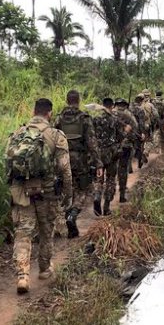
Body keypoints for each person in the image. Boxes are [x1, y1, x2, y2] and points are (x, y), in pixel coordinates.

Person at [6, 98, 72, 294]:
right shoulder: (56, 135)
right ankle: (44, 269)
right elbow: (65, 168)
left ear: (33, 111)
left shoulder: (18, 133)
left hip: (22, 192)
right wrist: (68, 193)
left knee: (23, 233)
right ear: (49, 114)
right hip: (47, 192)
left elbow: (8, 164)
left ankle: (22, 276)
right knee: (46, 230)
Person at [54, 90, 103, 238]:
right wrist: (98, 163)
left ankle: (64, 221)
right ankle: (72, 215)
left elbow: (52, 139)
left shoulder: (59, 118)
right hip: (81, 161)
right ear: (79, 100)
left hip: (62, 160)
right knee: (83, 189)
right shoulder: (85, 118)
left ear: (67, 100)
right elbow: (92, 142)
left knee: (65, 189)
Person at [91, 97, 122, 216]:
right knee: (110, 179)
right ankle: (107, 207)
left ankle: (97, 196)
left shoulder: (95, 118)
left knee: (98, 178)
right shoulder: (114, 119)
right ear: (112, 106)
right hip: (111, 154)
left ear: (102, 105)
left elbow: (91, 136)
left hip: (98, 153)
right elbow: (120, 137)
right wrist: (127, 130)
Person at [114, 98, 139, 203]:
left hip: (112, 147)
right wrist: (132, 140)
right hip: (125, 146)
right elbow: (135, 128)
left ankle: (108, 191)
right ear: (125, 105)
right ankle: (122, 195)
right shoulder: (129, 115)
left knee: (111, 170)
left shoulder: (110, 114)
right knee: (123, 169)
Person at [130, 94, 148, 169]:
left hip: (128, 131)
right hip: (137, 132)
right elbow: (141, 123)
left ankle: (129, 166)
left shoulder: (129, 108)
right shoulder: (140, 110)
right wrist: (143, 133)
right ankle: (139, 163)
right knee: (140, 147)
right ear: (141, 102)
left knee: (129, 148)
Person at [151, 89, 164, 153]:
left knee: (155, 133)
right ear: (161, 95)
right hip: (162, 120)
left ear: (155, 94)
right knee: (162, 134)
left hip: (154, 120)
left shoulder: (152, 101)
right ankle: (163, 149)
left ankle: (156, 149)